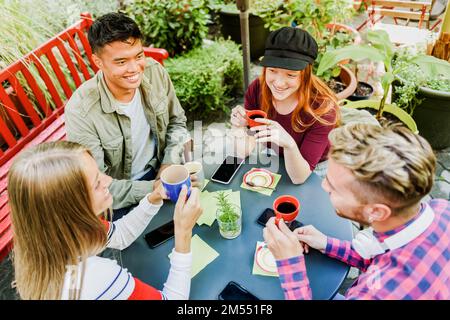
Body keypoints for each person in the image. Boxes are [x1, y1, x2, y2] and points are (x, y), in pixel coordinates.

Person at [263, 123, 450, 300]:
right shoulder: (440, 208)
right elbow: (377, 250)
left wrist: (290, 262)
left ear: (376, 212)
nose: (323, 186)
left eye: (334, 187)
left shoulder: (380, 292)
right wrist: (326, 243)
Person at [8, 141, 202, 300]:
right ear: (71, 206)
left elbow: (120, 235)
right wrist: (183, 232)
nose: (107, 180)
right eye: (96, 183)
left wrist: (154, 197)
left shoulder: (50, 237)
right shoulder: (96, 279)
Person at [65, 12, 192, 215]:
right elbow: (96, 185)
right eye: (121, 62)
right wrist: (155, 189)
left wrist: (167, 168)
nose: (135, 69)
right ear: (98, 62)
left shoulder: (155, 71)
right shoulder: (81, 112)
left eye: (139, 56)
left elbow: (177, 122)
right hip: (118, 198)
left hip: (161, 171)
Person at [231, 27, 340, 183]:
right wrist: (239, 127)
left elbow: (299, 177)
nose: (279, 83)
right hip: (273, 154)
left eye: (291, 74)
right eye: (273, 70)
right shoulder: (257, 88)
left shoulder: (323, 109)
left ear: (305, 75)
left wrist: (288, 143)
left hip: (312, 167)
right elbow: (244, 151)